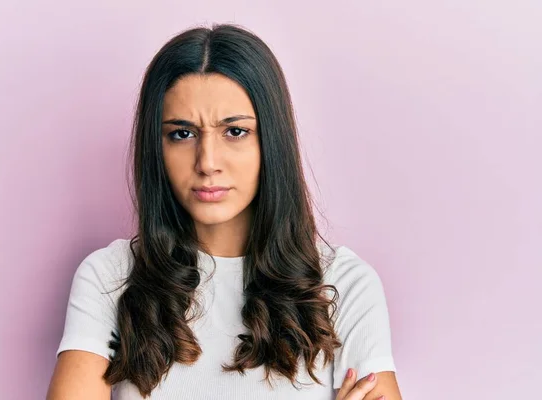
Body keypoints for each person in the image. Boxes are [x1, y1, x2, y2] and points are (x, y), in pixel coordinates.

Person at [46, 23, 403, 400]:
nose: (208, 162)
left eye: (234, 131)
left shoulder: (343, 286)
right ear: (157, 146)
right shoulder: (112, 277)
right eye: (182, 134)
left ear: (271, 140)